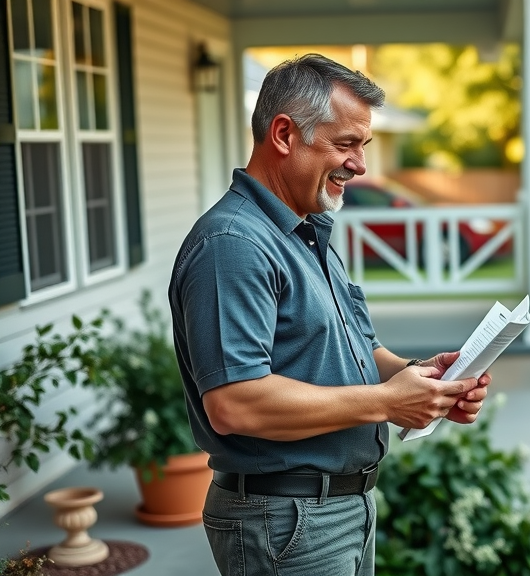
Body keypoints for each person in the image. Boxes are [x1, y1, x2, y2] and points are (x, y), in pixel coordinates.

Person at [168, 54, 489, 576]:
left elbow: (359, 351)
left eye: (362, 145)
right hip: (283, 519)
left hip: (339, 509)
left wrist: (427, 377)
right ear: (283, 134)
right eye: (346, 144)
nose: (360, 164)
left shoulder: (304, 230)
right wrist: (388, 402)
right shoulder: (233, 245)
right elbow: (235, 404)